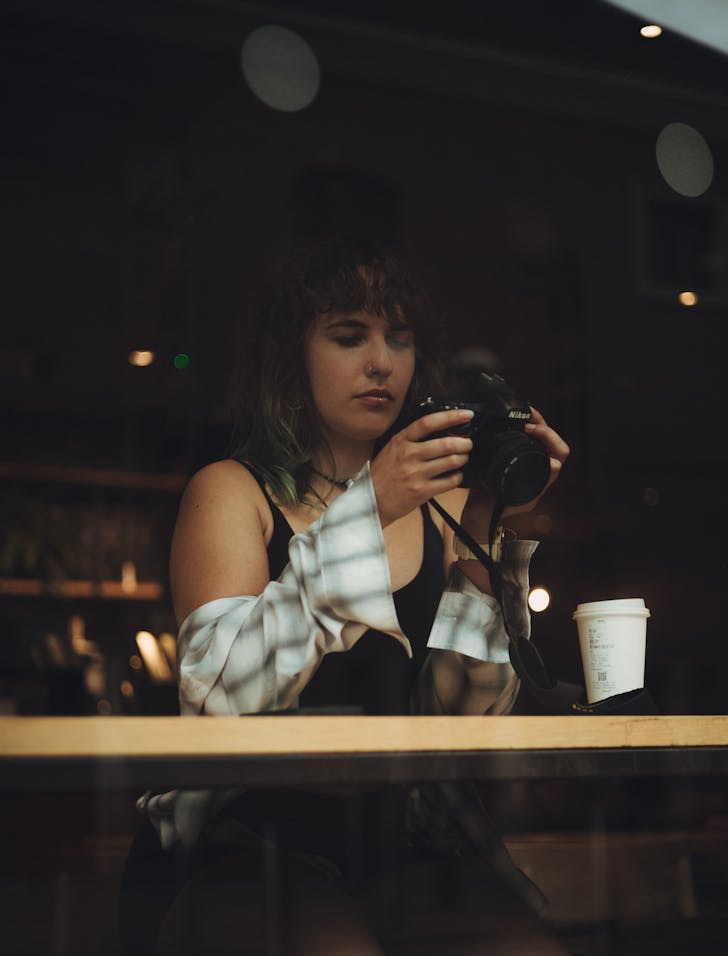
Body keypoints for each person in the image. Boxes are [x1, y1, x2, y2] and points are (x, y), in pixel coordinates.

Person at [118, 240, 571, 955]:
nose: (381, 362)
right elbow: (222, 705)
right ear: (291, 356)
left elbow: (462, 724)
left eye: (400, 338)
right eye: (349, 336)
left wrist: (484, 526)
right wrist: (369, 510)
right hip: (238, 843)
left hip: (394, 843)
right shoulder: (231, 492)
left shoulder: (443, 506)